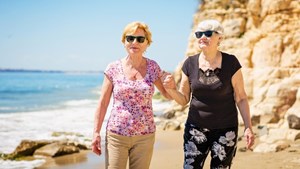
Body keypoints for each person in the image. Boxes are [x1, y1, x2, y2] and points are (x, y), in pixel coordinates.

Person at [162, 19, 255, 169]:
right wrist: (172, 90)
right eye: (199, 33)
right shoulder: (189, 64)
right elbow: (184, 99)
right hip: (195, 128)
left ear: (220, 38)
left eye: (208, 33)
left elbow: (241, 98)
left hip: (226, 129)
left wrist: (248, 127)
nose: (202, 37)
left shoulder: (231, 63)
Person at [91, 21, 172, 169]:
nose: (135, 42)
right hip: (116, 135)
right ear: (124, 41)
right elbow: (103, 102)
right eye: (130, 38)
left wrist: (171, 85)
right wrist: (96, 132)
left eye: (140, 39)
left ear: (147, 43)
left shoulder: (153, 67)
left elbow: (168, 95)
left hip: (145, 136)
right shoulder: (113, 68)